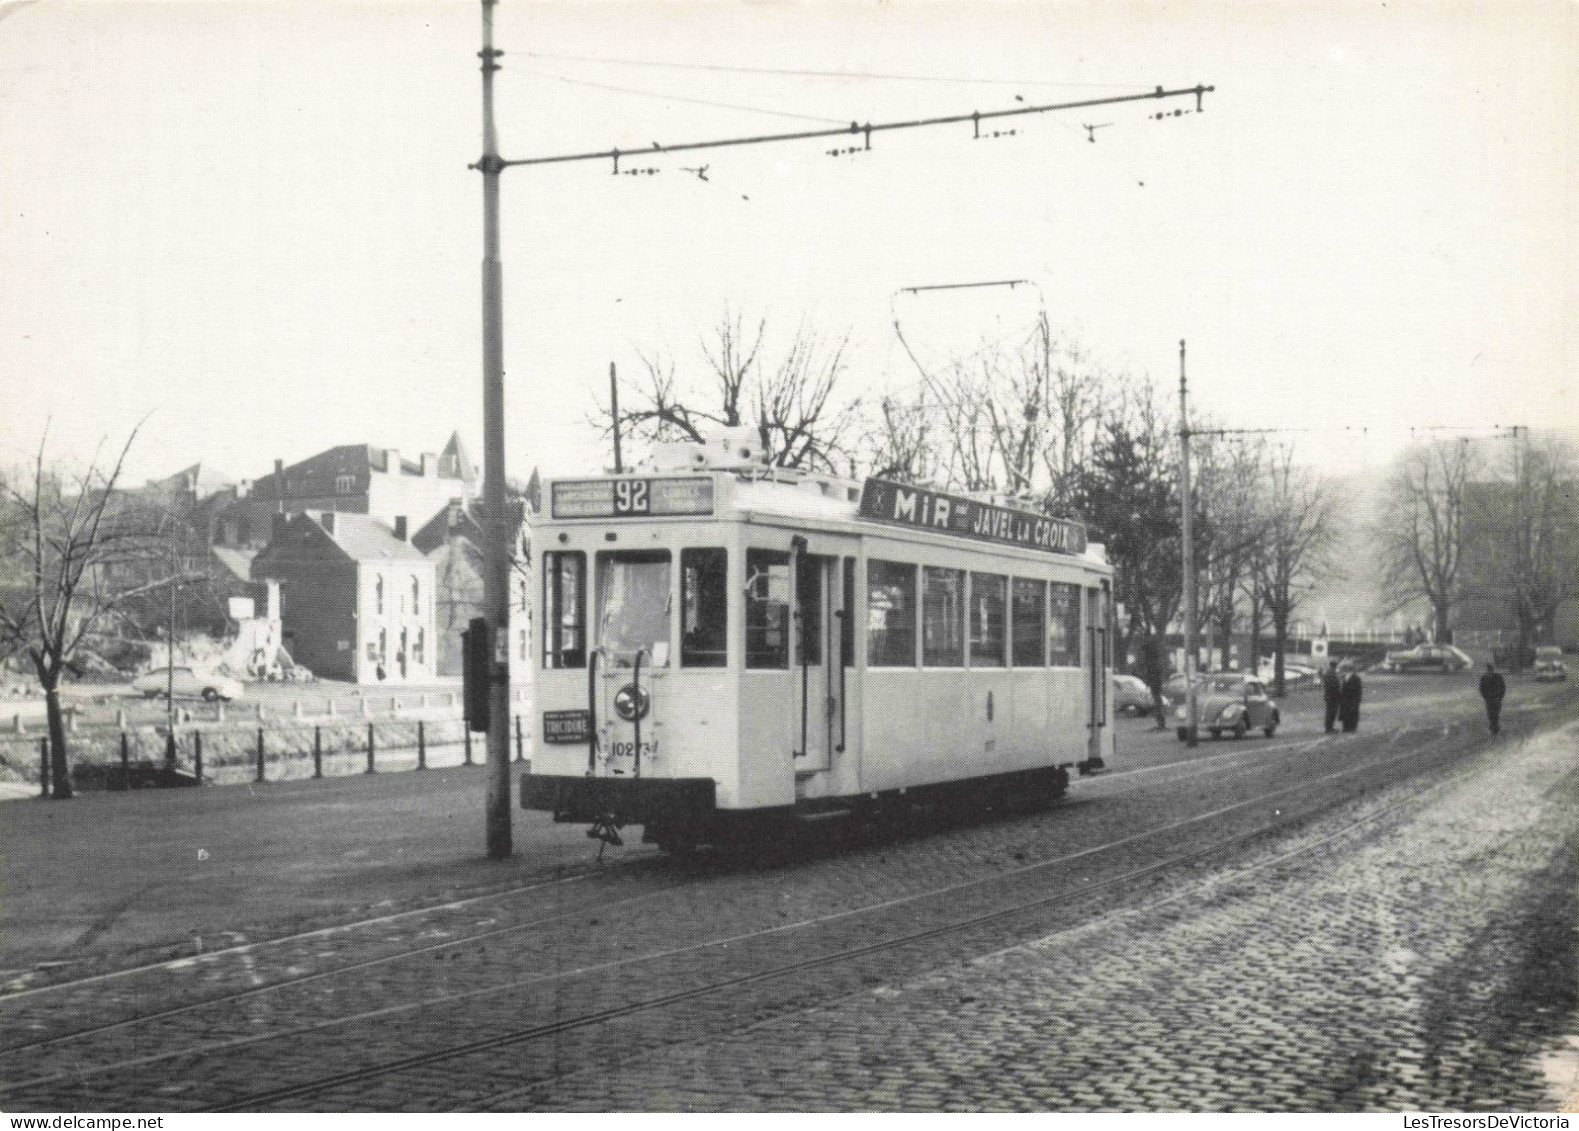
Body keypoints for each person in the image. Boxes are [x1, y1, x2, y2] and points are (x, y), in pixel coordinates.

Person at [1479, 662, 1507, 734]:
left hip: (1496, 698)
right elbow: (1482, 689)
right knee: (1491, 713)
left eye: (1490, 669)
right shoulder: (1484, 678)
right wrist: (1485, 697)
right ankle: (1493, 726)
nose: (1489, 671)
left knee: (1495, 713)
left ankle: (1495, 726)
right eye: (1488, 670)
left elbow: (1502, 687)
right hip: (1490, 698)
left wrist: (1500, 696)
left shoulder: (1497, 677)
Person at [1339, 665, 1363, 733]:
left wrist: (1358, 699)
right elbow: (1342, 689)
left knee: (1353, 713)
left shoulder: (1356, 678)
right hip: (1345, 699)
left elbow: (1359, 690)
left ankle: (1352, 727)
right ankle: (1346, 727)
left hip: (1353, 698)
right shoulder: (1344, 678)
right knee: (1346, 713)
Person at [1321, 660, 1343, 733]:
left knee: (1330, 712)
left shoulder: (1329, 672)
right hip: (1332, 695)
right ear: (1335, 665)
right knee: (1331, 712)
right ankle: (1329, 728)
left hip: (1330, 695)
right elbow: (1334, 685)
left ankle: (1329, 727)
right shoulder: (1331, 673)